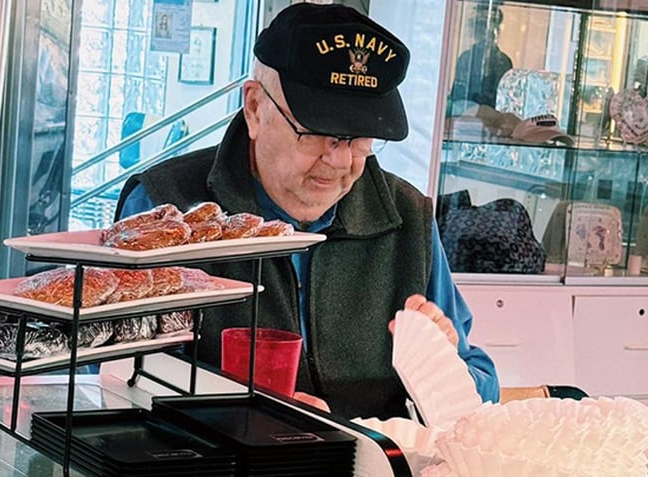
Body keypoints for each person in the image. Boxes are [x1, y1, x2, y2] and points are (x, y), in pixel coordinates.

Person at [114, 3, 500, 420]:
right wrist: (241, 411)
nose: (339, 161)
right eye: (315, 134)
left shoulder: (407, 217)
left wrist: (443, 370)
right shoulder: (166, 209)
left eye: (358, 139)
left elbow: (481, 382)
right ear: (255, 108)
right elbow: (113, 381)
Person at [448, 4, 512, 111]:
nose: (486, 32)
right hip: (466, 117)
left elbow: (505, 99)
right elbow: (458, 95)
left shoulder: (504, 62)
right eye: (482, 27)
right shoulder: (466, 58)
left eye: (491, 26)